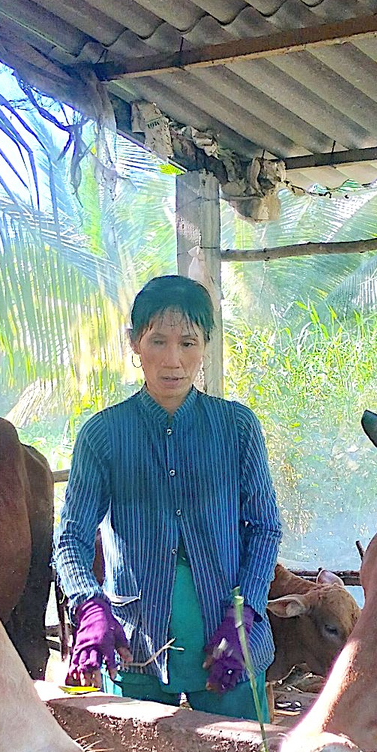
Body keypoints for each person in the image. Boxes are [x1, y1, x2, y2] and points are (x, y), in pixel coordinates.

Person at [55, 274, 282, 718]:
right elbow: (69, 539)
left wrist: (245, 615)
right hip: (135, 642)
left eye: (188, 343)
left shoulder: (236, 427)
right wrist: (90, 605)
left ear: (206, 346)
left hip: (228, 643)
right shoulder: (103, 436)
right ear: (134, 344)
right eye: (157, 341)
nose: (173, 360)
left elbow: (265, 527)